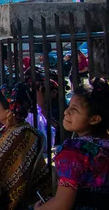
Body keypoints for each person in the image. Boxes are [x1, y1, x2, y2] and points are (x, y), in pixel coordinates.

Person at [34, 78, 109, 210]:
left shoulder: (74, 153)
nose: (66, 112)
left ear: (94, 119)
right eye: (69, 106)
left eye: (74, 109)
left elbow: (61, 205)